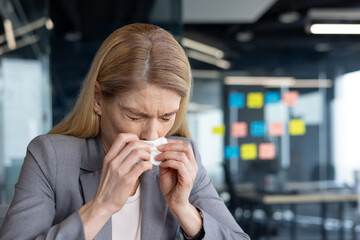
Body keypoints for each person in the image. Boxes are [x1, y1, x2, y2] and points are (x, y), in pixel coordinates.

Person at [0, 23, 250, 240]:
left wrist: (184, 209)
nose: (152, 135)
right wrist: (101, 206)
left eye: (166, 117)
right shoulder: (49, 157)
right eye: (134, 116)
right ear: (98, 99)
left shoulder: (183, 157)